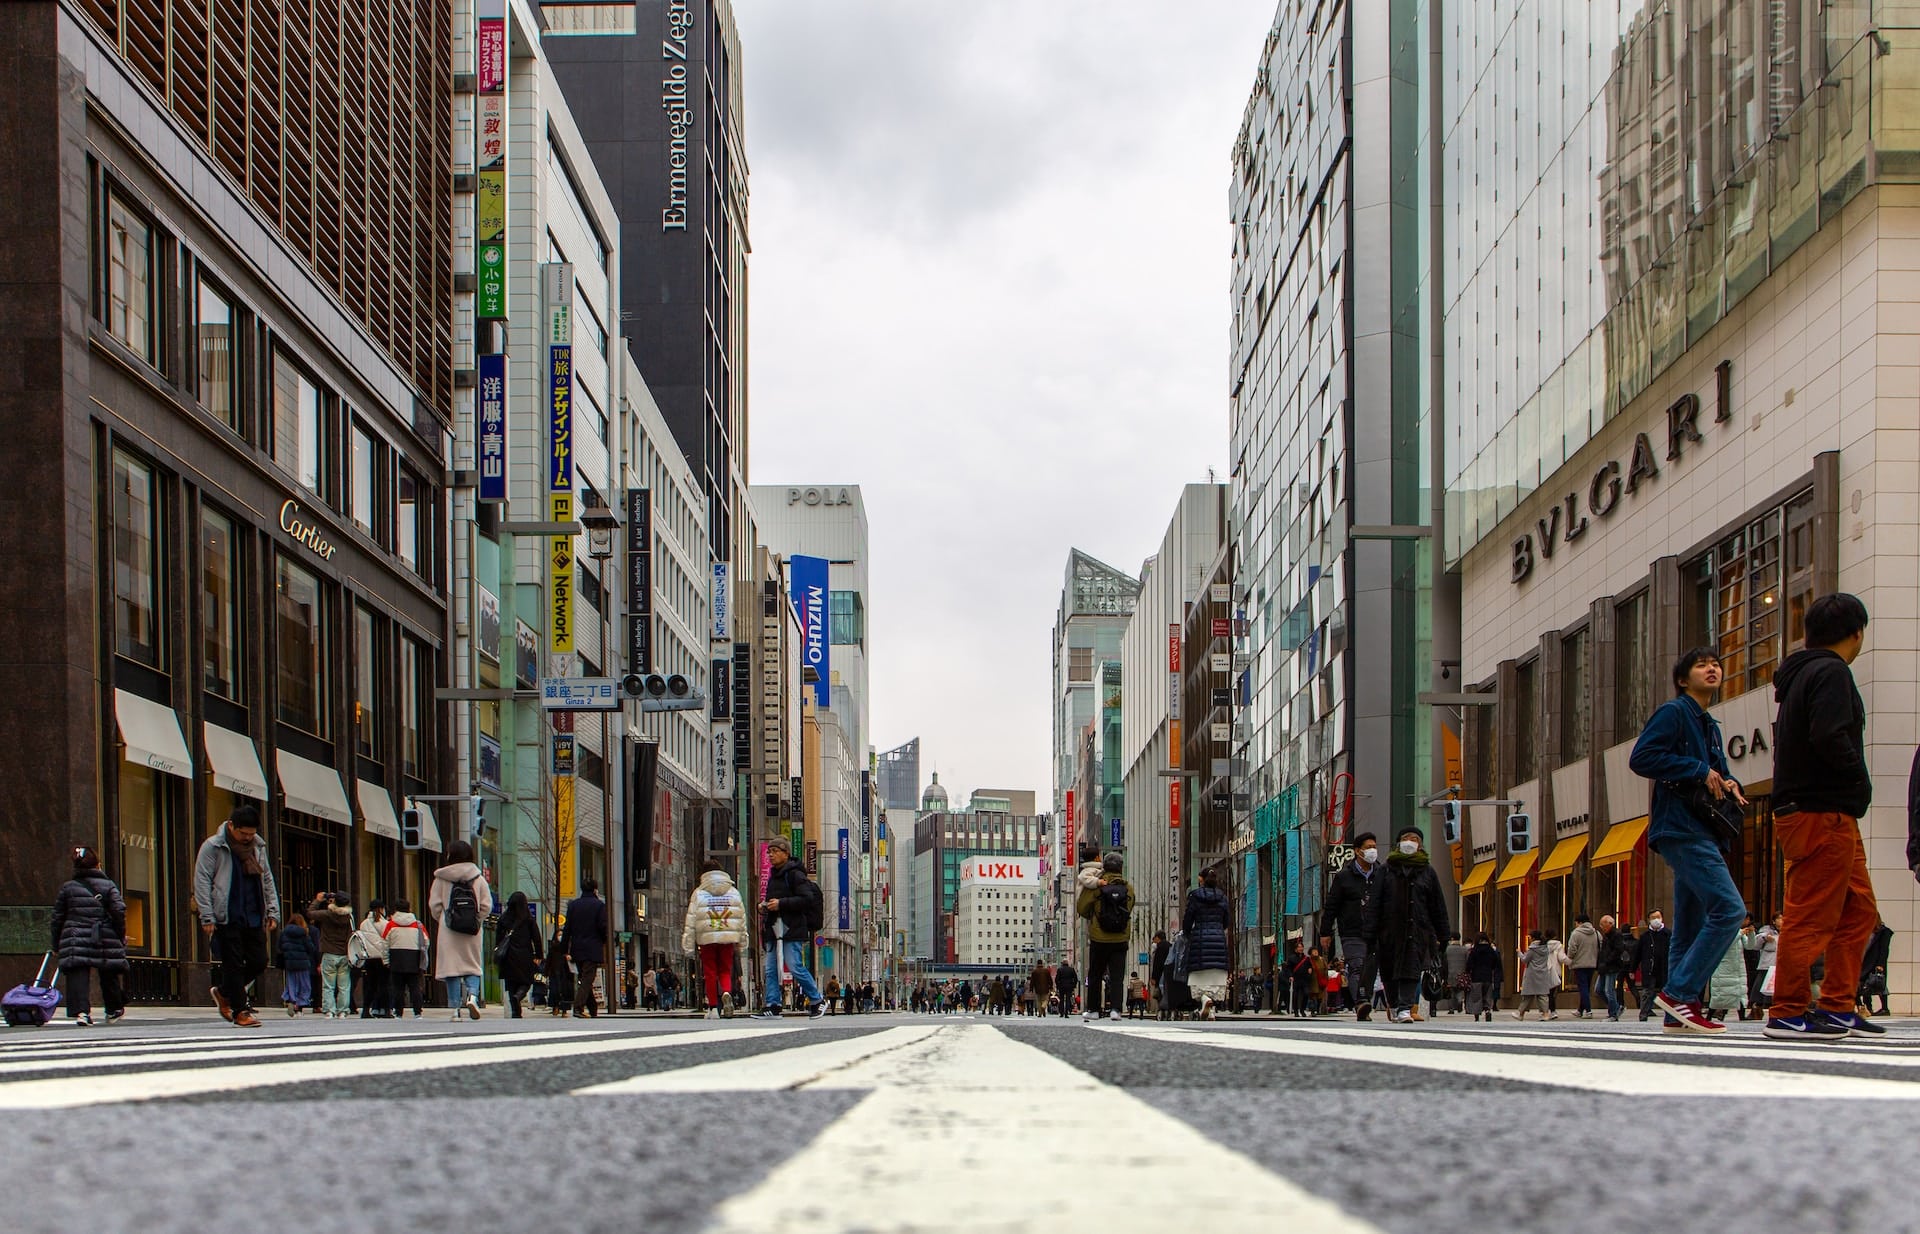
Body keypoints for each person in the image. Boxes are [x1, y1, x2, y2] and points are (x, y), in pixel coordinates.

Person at [1768, 593, 1884, 1041]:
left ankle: (1837, 1005)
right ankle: (1788, 1010)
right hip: (1822, 810)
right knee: (1811, 915)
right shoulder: (1832, 672)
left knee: (1859, 910)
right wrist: (1859, 781)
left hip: (1821, 811)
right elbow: (1831, 735)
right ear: (1857, 633)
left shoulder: (1801, 675)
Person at [1628, 647, 1747, 1035]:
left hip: (1702, 829)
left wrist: (1728, 781)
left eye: (1716, 664)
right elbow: (1642, 757)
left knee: (1691, 924)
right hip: (1683, 828)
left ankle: (1677, 1012)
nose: (1712, 668)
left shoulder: (1709, 725)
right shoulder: (1674, 712)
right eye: (1702, 665)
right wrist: (1697, 768)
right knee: (1729, 911)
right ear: (1683, 679)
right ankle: (1680, 993)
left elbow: (1717, 772)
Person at [192, 804, 280, 1028]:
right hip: (227, 914)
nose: (247, 838)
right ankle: (240, 1011)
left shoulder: (257, 847)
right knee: (232, 962)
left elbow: (267, 879)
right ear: (231, 826)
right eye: (243, 833)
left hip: (253, 913)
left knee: (259, 961)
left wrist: (272, 910)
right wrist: (207, 915)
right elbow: (202, 881)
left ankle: (224, 992)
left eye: (251, 834)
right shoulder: (213, 847)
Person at [1372, 827, 1451, 1024]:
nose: (1410, 841)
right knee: (1389, 971)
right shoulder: (1386, 869)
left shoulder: (1427, 871)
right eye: (1406, 838)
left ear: (1420, 845)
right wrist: (1370, 931)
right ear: (1398, 843)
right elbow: (1375, 902)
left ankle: (1405, 1008)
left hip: (1418, 930)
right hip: (1389, 930)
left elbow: (1437, 905)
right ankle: (1395, 1004)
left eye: (1414, 839)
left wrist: (1443, 934)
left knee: (1412, 969)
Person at [50, 846, 129, 1026]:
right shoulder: (108, 886)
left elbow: (57, 918)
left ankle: (81, 1012)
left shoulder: (67, 888)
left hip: (75, 934)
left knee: (78, 970)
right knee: (108, 970)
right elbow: (118, 910)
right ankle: (113, 1008)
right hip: (103, 934)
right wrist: (120, 934)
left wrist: (56, 944)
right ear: (98, 865)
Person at [753, 837, 826, 1019]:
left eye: (775, 851)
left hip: (792, 928)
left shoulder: (795, 874)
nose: (770, 855)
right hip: (774, 928)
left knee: (794, 966)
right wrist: (764, 906)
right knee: (770, 969)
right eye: (769, 852)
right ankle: (773, 1005)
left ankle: (817, 1000)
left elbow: (806, 898)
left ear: (786, 853)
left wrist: (781, 904)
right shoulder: (773, 876)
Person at [1322, 832, 1384, 1020]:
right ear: (1357, 851)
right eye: (1368, 847)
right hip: (1351, 931)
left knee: (1371, 968)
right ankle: (1361, 1003)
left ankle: (1365, 998)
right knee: (1356, 966)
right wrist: (1325, 932)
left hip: (1376, 931)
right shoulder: (1344, 877)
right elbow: (1331, 906)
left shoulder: (1382, 874)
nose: (1372, 851)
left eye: (1374, 846)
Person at [428, 841, 491, 1020]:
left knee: (451, 969)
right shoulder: (477, 879)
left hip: (449, 930)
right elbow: (486, 905)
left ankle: (455, 1009)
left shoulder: (441, 878)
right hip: (471, 930)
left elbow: (434, 906)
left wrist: (445, 919)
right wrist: (476, 919)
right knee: (472, 966)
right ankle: (472, 996)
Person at [682, 859, 746, 1019]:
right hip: (728, 936)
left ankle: (713, 1009)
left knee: (710, 972)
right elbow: (741, 917)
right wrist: (742, 940)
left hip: (707, 936)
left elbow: (690, 920)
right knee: (725, 969)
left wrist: (688, 945)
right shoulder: (733, 891)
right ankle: (725, 992)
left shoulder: (699, 893)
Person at [1075, 851, 1135, 1023]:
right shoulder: (1127, 887)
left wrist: (1096, 918)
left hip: (1098, 938)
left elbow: (1082, 908)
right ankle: (1116, 1010)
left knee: (1095, 974)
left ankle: (1094, 1009)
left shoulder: (1096, 886)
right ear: (1121, 868)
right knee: (1117, 976)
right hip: (1120, 938)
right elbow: (1129, 906)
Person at [1182, 867, 1233, 1019]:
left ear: (1201, 880)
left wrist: (1187, 933)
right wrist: (1217, 928)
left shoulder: (1195, 896)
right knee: (1215, 979)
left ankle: (1205, 1001)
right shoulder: (1222, 897)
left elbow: (1188, 920)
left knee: (1200, 980)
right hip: (1218, 939)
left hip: (1200, 939)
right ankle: (1211, 1010)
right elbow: (1226, 921)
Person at [563, 878, 609, 1018]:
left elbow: (567, 928)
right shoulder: (599, 906)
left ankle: (593, 1008)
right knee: (588, 978)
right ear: (595, 889)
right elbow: (603, 927)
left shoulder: (573, 905)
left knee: (585, 978)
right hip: (592, 947)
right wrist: (605, 940)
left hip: (577, 948)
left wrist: (564, 948)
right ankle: (578, 1007)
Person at [494, 891, 543, 1019]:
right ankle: (519, 996)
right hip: (524, 954)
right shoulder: (528, 919)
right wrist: (539, 955)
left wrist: (498, 951)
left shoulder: (503, 918)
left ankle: (516, 1012)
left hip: (508, 955)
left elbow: (498, 938)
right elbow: (536, 938)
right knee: (526, 981)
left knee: (510, 984)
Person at [308, 891, 354, 1019]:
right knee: (344, 985)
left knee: (328, 985)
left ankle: (329, 1010)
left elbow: (310, 913)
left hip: (329, 952)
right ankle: (343, 1010)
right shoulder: (349, 917)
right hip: (344, 953)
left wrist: (317, 900)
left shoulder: (327, 914)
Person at [381, 899, 429, 1017]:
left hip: (396, 957)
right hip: (414, 957)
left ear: (396, 909)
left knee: (398, 988)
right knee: (415, 986)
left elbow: (384, 944)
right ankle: (417, 1012)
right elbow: (426, 941)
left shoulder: (390, 924)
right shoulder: (417, 924)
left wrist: (386, 960)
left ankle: (398, 1012)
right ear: (409, 909)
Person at [351, 900, 390, 1019]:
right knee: (384, 984)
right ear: (381, 909)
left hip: (369, 958)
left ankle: (366, 1009)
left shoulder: (364, 923)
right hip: (381, 958)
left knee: (370, 985)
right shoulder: (384, 923)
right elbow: (387, 941)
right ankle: (385, 1010)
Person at [275, 911, 318, 1016]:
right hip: (303, 962)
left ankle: (291, 1000)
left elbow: (279, 947)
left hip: (289, 962)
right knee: (304, 984)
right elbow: (311, 948)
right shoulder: (304, 933)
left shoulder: (284, 932)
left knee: (291, 983)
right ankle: (300, 1005)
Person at [1594, 915, 1632, 1021]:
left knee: (1609, 990)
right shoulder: (1606, 935)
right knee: (1598, 990)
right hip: (1604, 967)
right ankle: (1616, 1007)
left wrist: (1607, 961)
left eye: (1603, 924)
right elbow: (1603, 951)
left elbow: (1618, 950)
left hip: (1612, 966)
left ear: (1609, 924)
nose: (1601, 927)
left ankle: (1613, 1014)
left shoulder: (1616, 935)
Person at [1515, 931, 1556, 1020]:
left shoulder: (1532, 949)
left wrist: (1519, 953)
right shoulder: (1545, 948)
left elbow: (1525, 960)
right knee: (1543, 995)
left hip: (1532, 974)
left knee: (1528, 995)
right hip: (1543, 973)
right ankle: (1545, 1014)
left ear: (1533, 938)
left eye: (1530, 937)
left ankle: (1521, 1013)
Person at [1745, 912, 1780, 1012]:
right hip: (1767, 963)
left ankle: (1772, 1003)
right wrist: (1765, 937)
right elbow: (1755, 945)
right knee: (1761, 983)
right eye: (1779, 918)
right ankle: (1756, 1003)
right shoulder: (1766, 931)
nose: (1782, 921)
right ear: (1774, 921)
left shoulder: (1788, 931)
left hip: (1780, 964)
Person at [1857, 920, 1894, 1016]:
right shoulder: (1867, 931)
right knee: (1866, 984)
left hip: (1876, 962)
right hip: (1866, 961)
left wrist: (1880, 964)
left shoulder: (1883, 932)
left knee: (1879, 983)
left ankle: (1884, 1008)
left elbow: (1884, 949)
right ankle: (1868, 1007)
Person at [1566, 916, 1600, 1018]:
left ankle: (1588, 1010)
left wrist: (1569, 959)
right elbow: (1601, 946)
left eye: (1576, 923)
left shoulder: (1576, 933)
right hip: (1592, 964)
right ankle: (1580, 1010)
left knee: (1583, 988)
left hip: (1579, 964)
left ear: (1579, 923)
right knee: (1586, 987)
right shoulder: (1596, 933)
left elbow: (1572, 949)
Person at [1465, 933, 1502, 1021]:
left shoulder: (1474, 950)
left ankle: (1477, 1015)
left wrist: (1468, 971)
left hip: (1476, 977)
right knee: (1487, 995)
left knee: (1477, 996)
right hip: (1487, 977)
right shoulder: (1491, 950)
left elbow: (1469, 964)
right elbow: (1496, 963)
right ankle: (1488, 1010)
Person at [544, 938, 574, 1015]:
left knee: (565, 991)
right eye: (559, 935)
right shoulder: (553, 949)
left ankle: (564, 1010)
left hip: (566, 973)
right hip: (555, 973)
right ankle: (556, 1007)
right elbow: (548, 961)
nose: (561, 937)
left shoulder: (568, 948)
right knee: (555, 991)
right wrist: (546, 972)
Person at [1443, 932, 1471, 1015]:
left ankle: (1451, 1008)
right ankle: (1459, 1001)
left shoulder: (1447, 949)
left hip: (1450, 974)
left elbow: (1444, 963)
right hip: (1461, 974)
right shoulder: (1464, 950)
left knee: (1451, 991)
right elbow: (1468, 962)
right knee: (1460, 990)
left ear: (1451, 939)